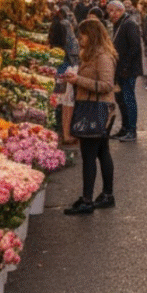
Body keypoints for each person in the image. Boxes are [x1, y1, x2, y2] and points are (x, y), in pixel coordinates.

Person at [61, 18, 118, 215]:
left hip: (98, 109)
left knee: (90, 155)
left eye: (82, 35)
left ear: (91, 36)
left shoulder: (102, 57)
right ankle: (106, 195)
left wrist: (79, 80)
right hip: (96, 107)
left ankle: (87, 200)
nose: (79, 39)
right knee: (102, 152)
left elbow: (107, 85)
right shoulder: (91, 55)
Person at [107, 0, 141, 142]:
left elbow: (135, 47)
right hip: (121, 69)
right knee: (121, 100)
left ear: (121, 10)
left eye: (115, 10)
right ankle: (125, 128)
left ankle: (131, 130)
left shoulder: (129, 24)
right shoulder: (120, 24)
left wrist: (126, 66)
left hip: (128, 70)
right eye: (110, 11)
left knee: (128, 99)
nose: (112, 14)